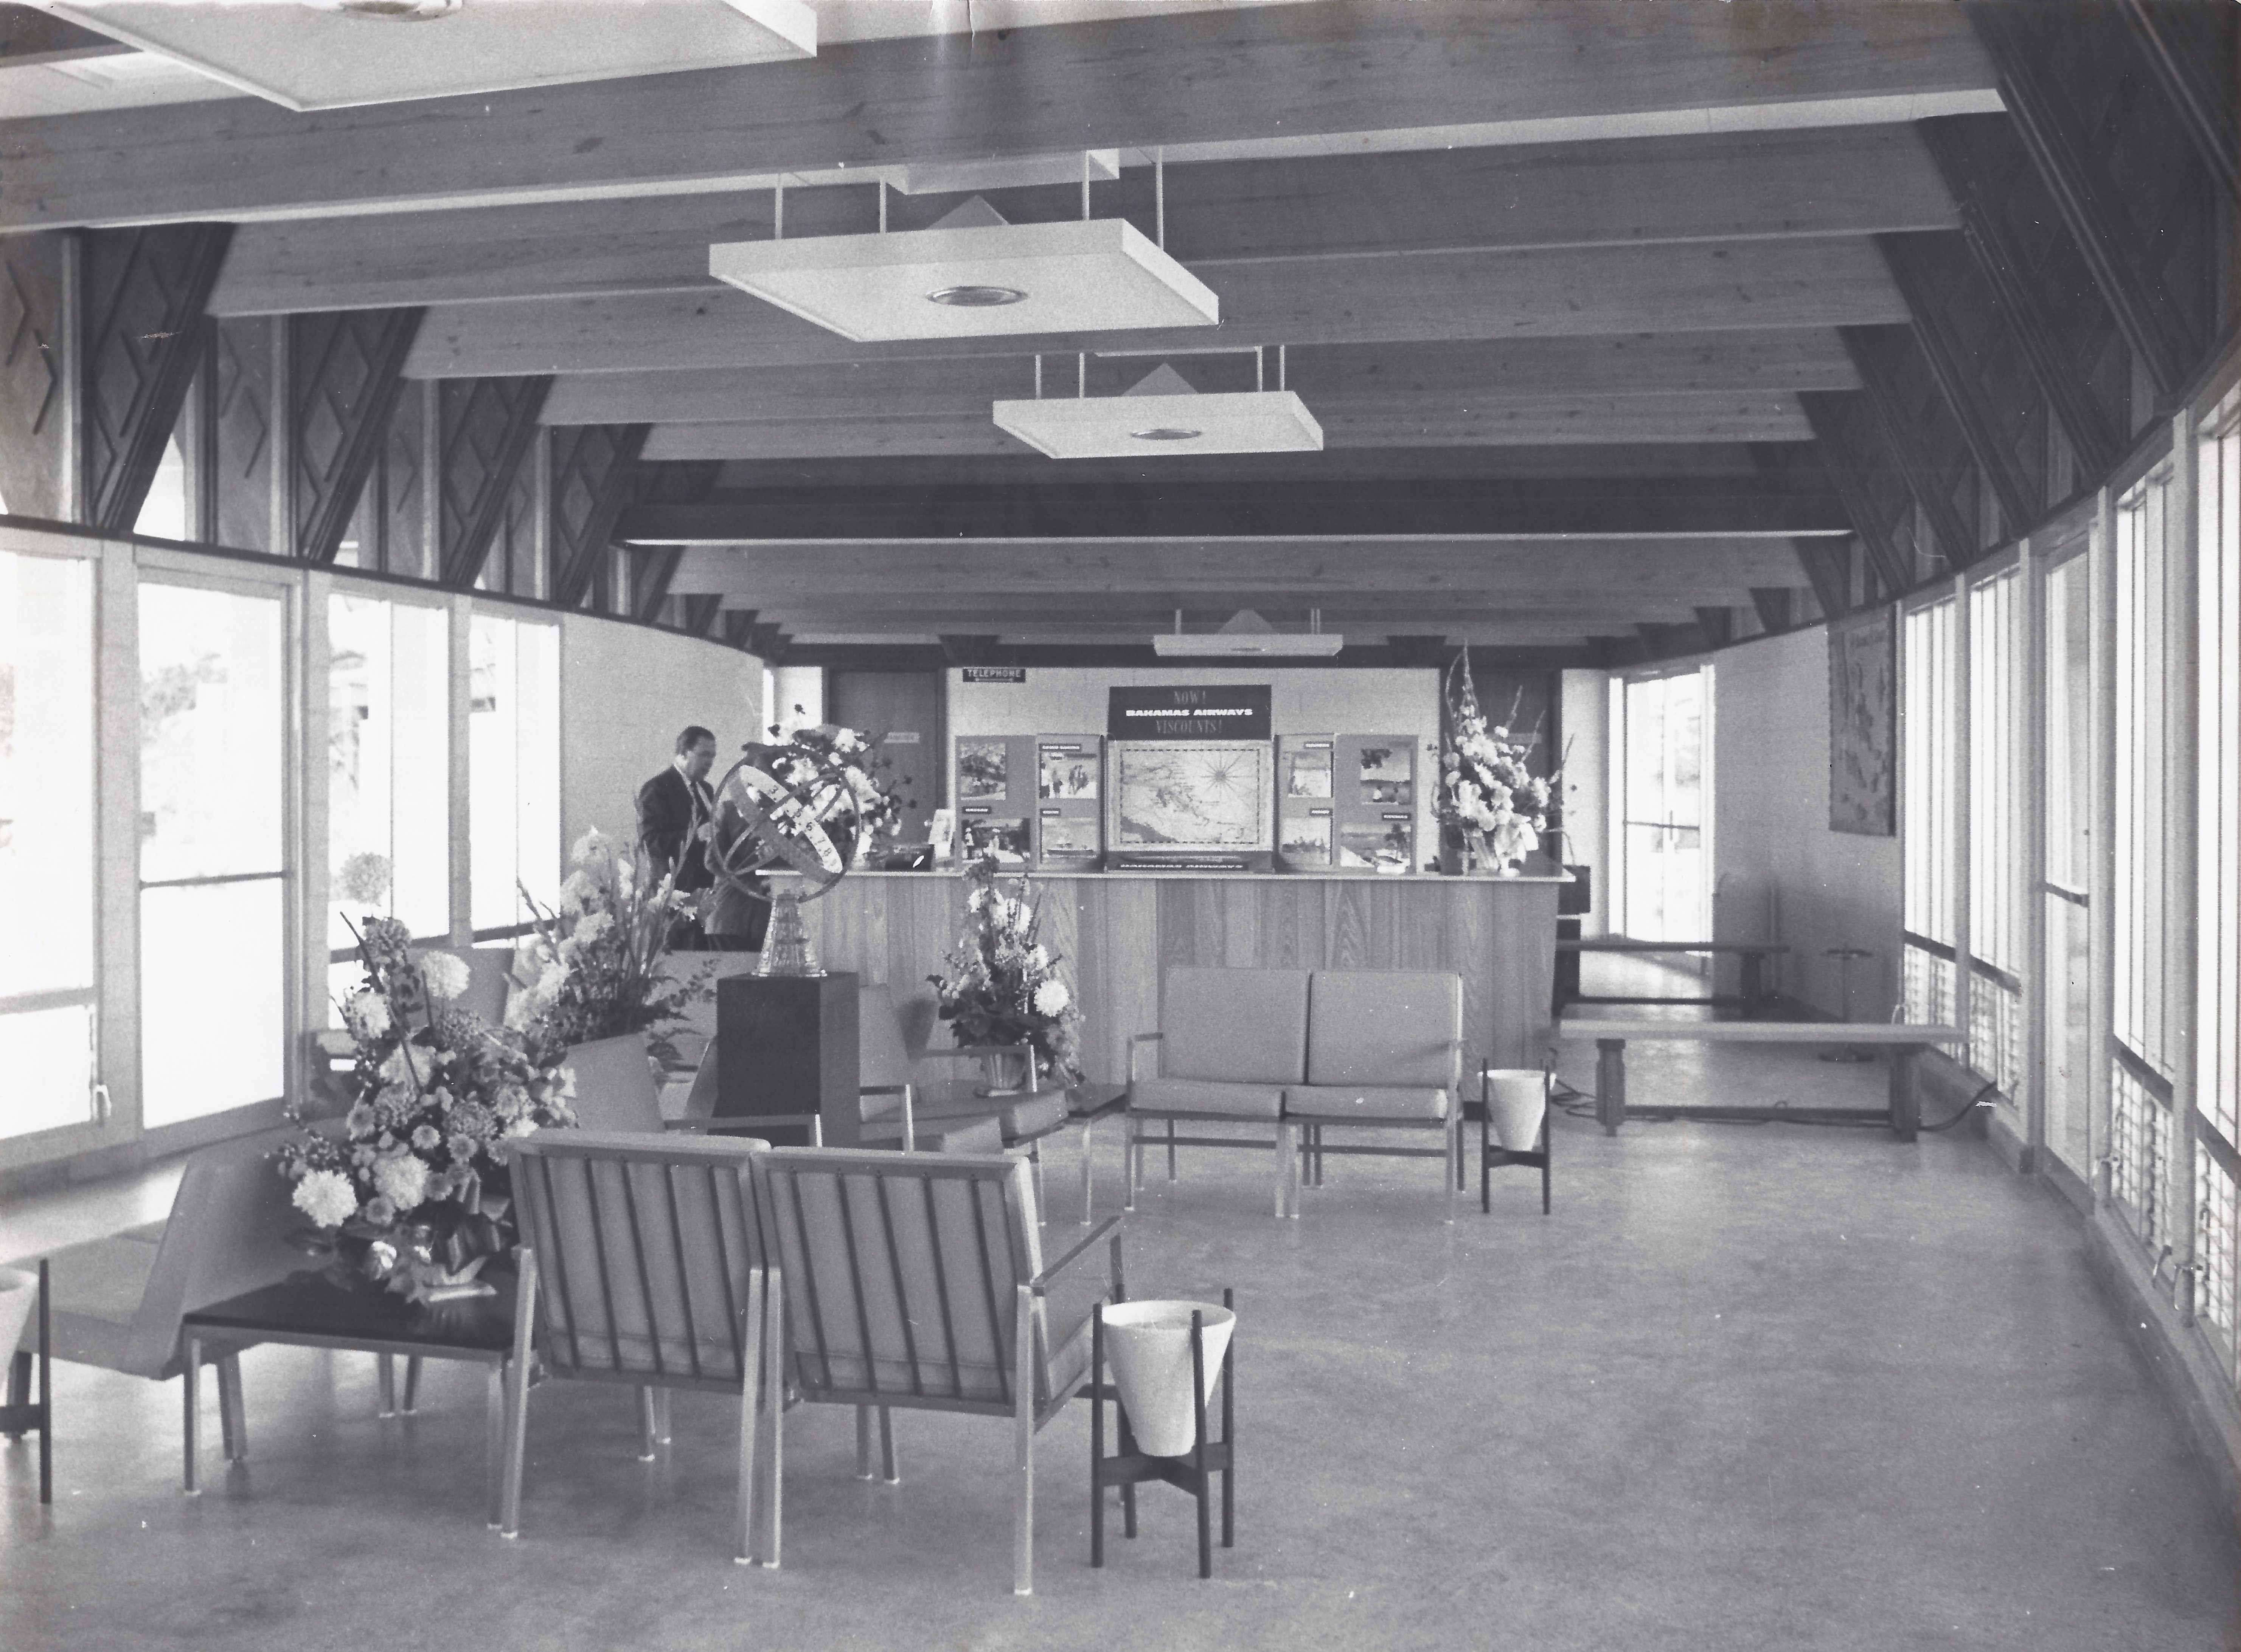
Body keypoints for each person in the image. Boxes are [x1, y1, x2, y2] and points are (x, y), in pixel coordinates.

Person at [637, 728, 719, 939]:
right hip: (674, 894)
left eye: (713, 756)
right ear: (683, 753)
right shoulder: (658, 789)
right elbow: (650, 841)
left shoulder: (706, 790)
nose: (709, 762)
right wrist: (694, 836)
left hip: (704, 894)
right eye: (704, 755)